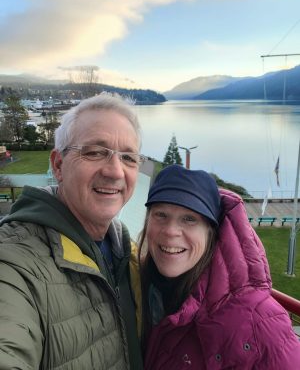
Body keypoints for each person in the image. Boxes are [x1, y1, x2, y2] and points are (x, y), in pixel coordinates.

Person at [0, 92, 145, 369]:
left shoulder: (127, 252)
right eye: (94, 152)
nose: (115, 171)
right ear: (58, 165)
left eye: (128, 157)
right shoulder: (15, 263)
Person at [138, 164, 300, 369]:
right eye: (160, 214)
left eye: (189, 219)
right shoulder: (139, 284)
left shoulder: (260, 320)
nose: (171, 231)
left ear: (211, 233)